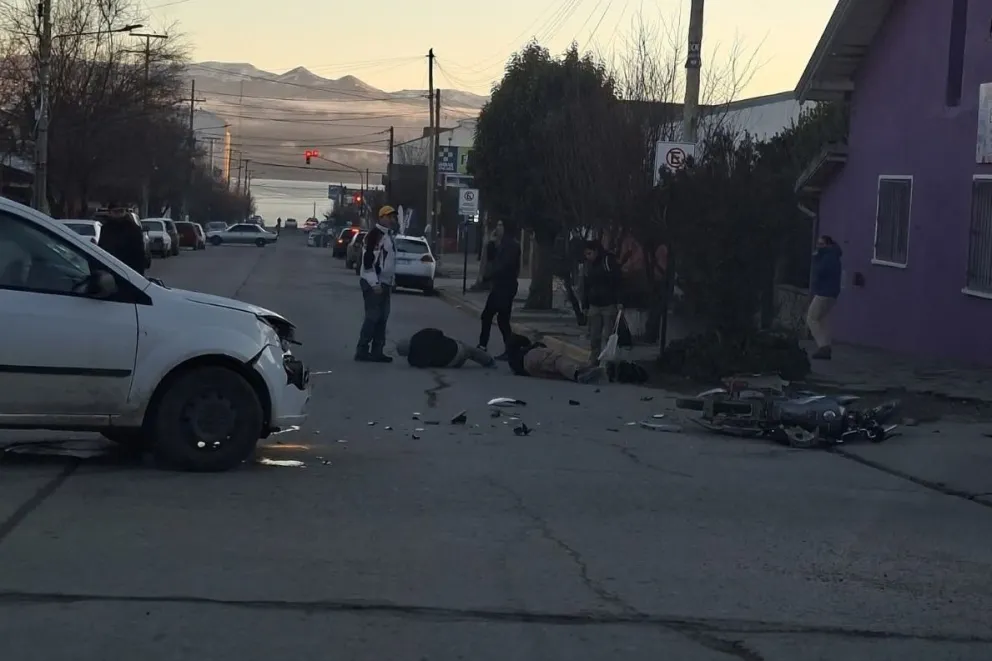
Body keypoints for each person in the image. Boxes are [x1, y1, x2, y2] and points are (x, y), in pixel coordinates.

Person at [355, 205, 399, 362]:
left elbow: (389, 261)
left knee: (382, 319)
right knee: (372, 317)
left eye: (393, 217)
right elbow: (368, 262)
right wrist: (374, 283)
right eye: (389, 217)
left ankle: (377, 351)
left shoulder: (389, 236)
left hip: (385, 283)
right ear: (381, 218)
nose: (392, 220)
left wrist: (391, 281)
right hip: (373, 283)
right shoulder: (374, 235)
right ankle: (362, 349)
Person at [478, 220, 520, 360]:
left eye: (500, 225)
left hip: (506, 286)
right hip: (499, 286)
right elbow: (492, 259)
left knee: (489, 315)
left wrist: (488, 276)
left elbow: (505, 265)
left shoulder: (512, 245)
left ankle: (483, 346)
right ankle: (509, 349)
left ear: (506, 228)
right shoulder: (500, 243)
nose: (497, 228)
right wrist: (490, 244)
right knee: (502, 319)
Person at [505, 333, 607, 384]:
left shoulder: (513, 358)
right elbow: (528, 343)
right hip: (531, 356)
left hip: (528, 368)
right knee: (556, 360)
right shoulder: (527, 349)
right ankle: (579, 373)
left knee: (554, 371)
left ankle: (583, 372)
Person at [581, 240, 622, 364]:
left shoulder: (608, 261)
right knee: (594, 335)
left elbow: (617, 282)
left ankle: (608, 362)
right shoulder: (587, 266)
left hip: (608, 304)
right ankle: (594, 360)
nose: (587, 257)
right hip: (594, 304)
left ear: (596, 251)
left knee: (608, 335)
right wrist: (585, 305)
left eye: (589, 253)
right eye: (586, 254)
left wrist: (619, 301)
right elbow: (585, 286)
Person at [807, 235, 843, 360]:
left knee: (811, 319)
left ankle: (823, 347)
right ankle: (826, 346)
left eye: (822, 244)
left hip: (824, 292)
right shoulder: (834, 255)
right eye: (818, 244)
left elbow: (820, 272)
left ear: (828, 245)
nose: (819, 247)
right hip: (832, 293)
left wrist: (816, 258)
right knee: (822, 319)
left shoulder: (827, 257)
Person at [396, 328, 496, 368]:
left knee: (465, 352)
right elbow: (439, 332)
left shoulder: (413, 360)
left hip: (450, 363)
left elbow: (424, 364)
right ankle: (489, 361)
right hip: (457, 349)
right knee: (470, 351)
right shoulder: (419, 335)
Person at [97, 206, 146, 275]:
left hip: (129, 269)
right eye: (115, 212)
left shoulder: (133, 228)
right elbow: (102, 249)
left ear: (125, 212)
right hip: (110, 268)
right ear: (110, 212)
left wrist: (139, 274)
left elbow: (140, 253)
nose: (118, 214)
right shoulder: (105, 228)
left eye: (121, 211)